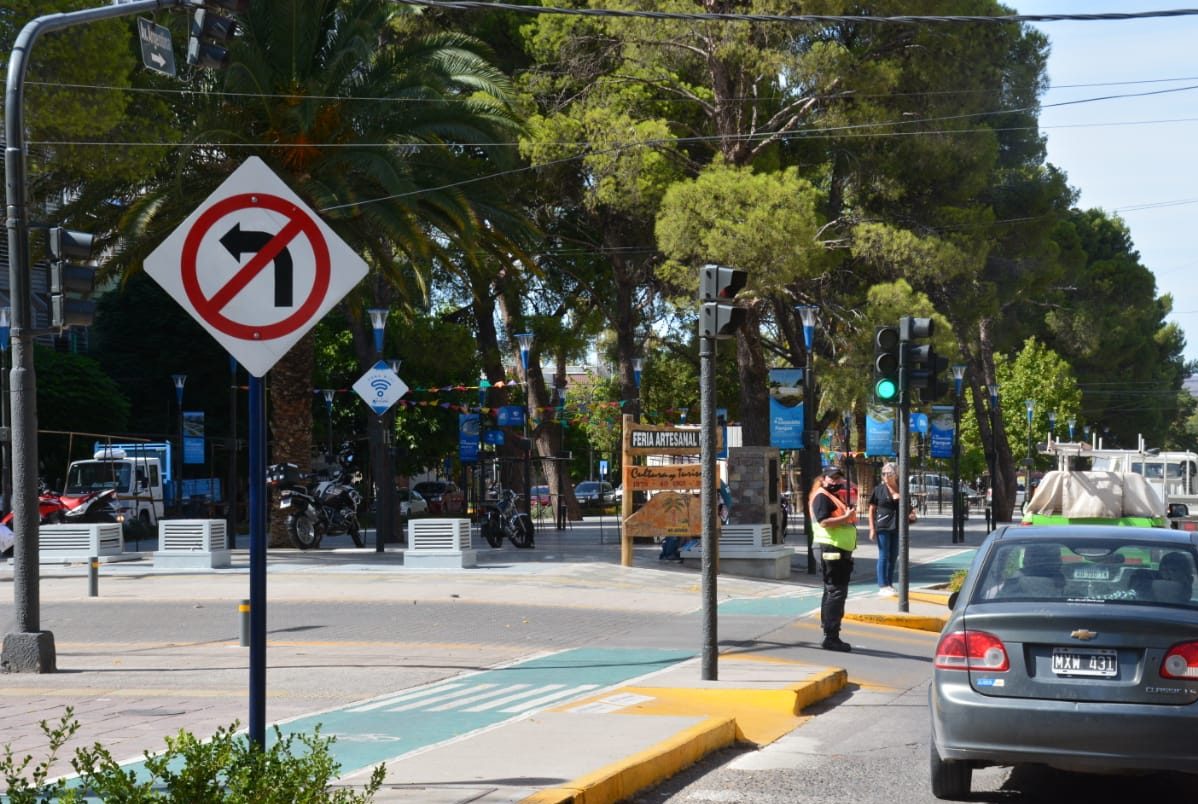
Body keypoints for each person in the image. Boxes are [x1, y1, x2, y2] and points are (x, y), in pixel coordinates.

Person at [809, 465, 857, 652]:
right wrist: (846, 518)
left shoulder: (833, 495)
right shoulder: (822, 496)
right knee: (836, 592)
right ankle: (831, 636)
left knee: (831, 591)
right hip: (829, 548)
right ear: (823, 479)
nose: (835, 481)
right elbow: (824, 521)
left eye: (838, 478)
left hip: (836, 549)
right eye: (832, 478)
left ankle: (828, 630)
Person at [868, 462, 904, 597]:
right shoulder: (879, 490)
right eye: (883, 473)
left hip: (897, 526)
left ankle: (889, 583)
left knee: (894, 555)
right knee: (884, 554)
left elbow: (911, 507)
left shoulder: (902, 489)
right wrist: (872, 528)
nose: (886, 476)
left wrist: (911, 513)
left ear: (896, 474)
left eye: (889, 473)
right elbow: (871, 509)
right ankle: (882, 585)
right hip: (883, 526)